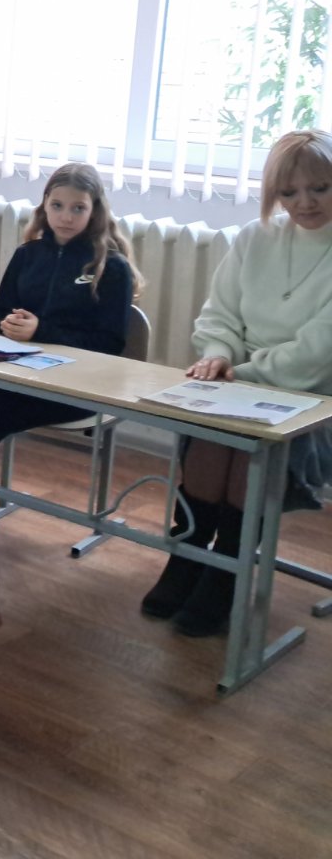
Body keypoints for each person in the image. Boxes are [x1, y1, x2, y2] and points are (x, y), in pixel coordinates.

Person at [142, 129, 332, 637]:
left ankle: (228, 564)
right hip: (238, 383)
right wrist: (218, 357)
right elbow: (219, 315)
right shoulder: (255, 236)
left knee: (245, 441)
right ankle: (189, 552)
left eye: (320, 188)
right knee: (214, 432)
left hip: (313, 400)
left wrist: (236, 375)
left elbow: (318, 354)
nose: (305, 203)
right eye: (289, 192)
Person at [0, 162, 141, 453]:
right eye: (57, 205)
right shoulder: (27, 254)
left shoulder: (112, 267)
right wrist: (10, 324)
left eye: (78, 208)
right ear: (45, 204)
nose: (66, 217)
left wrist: (40, 331)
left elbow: (109, 343)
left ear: (94, 211)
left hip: (76, 387)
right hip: (21, 372)